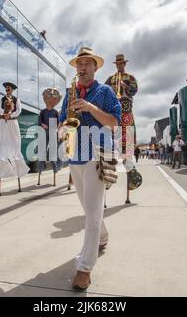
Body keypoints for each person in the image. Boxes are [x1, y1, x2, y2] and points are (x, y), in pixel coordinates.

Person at [60, 47, 121, 291]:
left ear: (95, 67)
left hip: (97, 153)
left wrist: (90, 108)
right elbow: (67, 121)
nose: (82, 67)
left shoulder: (105, 91)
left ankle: (85, 267)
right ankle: (103, 238)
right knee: (89, 209)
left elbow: (114, 122)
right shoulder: (70, 92)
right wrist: (63, 130)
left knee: (93, 214)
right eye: (79, 64)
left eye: (87, 63)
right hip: (75, 154)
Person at [105, 54, 138, 159]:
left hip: (126, 106)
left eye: (121, 63)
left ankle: (128, 155)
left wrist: (126, 86)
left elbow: (135, 90)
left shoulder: (130, 77)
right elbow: (104, 89)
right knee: (114, 129)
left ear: (124, 64)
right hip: (114, 106)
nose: (119, 65)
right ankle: (114, 153)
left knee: (127, 127)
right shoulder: (111, 78)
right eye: (117, 64)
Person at [0, 82, 30, 179]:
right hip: (3, 121)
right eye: (6, 89)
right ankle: (5, 170)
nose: (7, 90)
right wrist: (5, 113)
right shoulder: (1, 99)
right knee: (3, 142)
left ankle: (18, 168)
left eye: (9, 89)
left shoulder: (16, 99)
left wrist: (10, 115)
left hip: (13, 121)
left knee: (15, 142)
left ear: (12, 90)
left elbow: (18, 111)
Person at [38, 88, 62, 184]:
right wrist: (42, 124)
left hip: (52, 133)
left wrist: (57, 128)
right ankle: (41, 168)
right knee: (42, 151)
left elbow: (59, 122)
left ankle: (55, 168)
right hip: (44, 133)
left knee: (52, 153)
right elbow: (39, 121)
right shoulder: (42, 112)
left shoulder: (55, 112)